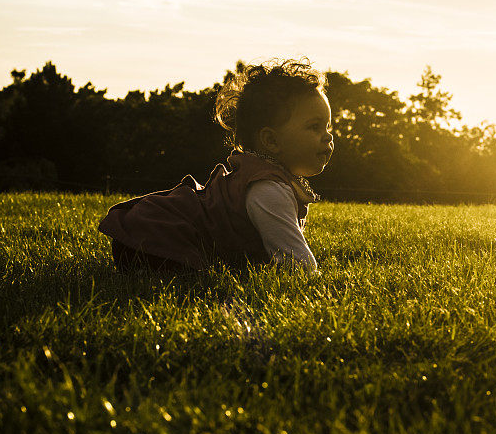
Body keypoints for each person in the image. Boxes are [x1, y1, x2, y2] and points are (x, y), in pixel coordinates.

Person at [98, 58, 334, 274]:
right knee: (197, 277)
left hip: (144, 239)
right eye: (314, 127)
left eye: (327, 127)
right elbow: (298, 264)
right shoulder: (268, 188)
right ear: (271, 141)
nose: (327, 137)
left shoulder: (264, 178)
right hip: (158, 240)